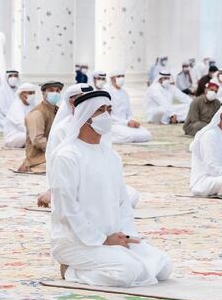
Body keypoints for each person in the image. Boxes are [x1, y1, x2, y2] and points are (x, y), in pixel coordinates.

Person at [49, 90, 172, 286]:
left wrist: (127, 236)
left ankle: (115, 256)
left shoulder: (112, 156)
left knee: (163, 266)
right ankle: (71, 271)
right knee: (128, 272)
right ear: (85, 115)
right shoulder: (68, 156)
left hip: (114, 237)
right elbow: (68, 209)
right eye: (100, 110)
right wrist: (103, 239)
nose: (107, 115)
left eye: (109, 109)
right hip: (77, 242)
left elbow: (123, 203)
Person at [18, 81, 64, 173]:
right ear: (43, 93)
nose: (55, 93)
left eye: (57, 91)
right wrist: (58, 148)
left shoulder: (57, 110)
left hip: (53, 153)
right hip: (39, 159)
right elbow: (37, 140)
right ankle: (29, 166)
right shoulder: (37, 113)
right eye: (51, 90)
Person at [106, 70, 151, 144]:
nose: (121, 78)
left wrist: (132, 121)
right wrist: (126, 123)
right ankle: (105, 140)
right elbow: (108, 115)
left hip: (126, 124)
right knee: (129, 136)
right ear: (112, 79)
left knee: (147, 135)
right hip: (114, 124)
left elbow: (129, 113)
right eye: (119, 76)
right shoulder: (107, 92)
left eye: (123, 76)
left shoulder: (125, 93)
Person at [3, 83, 37, 148]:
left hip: (27, 133)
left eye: (33, 93)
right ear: (21, 94)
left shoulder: (32, 105)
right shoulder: (16, 106)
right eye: (30, 93)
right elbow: (21, 125)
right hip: (13, 137)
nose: (32, 95)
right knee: (34, 136)